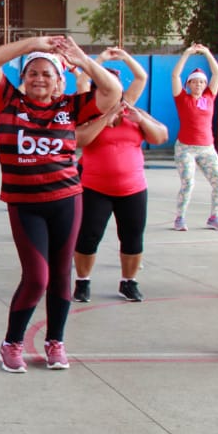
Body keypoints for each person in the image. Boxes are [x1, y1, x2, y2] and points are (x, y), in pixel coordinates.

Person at [0, 35, 121, 373]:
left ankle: (55, 341)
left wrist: (83, 60)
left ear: (60, 81)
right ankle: (11, 342)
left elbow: (113, 92)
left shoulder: (70, 106)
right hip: (25, 203)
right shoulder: (8, 102)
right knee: (37, 277)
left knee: (61, 275)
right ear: (23, 79)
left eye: (47, 74)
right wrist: (33, 45)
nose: (39, 79)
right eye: (32, 73)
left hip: (66, 201)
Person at [72, 49, 168, 303]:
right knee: (88, 237)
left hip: (133, 189)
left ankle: (129, 282)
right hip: (95, 188)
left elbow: (161, 136)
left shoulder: (133, 113)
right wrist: (104, 119)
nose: (110, 93)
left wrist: (124, 58)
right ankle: (82, 282)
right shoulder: (87, 115)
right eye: (104, 89)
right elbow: (80, 140)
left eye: (113, 87)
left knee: (133, 237)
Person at [171, 43, 218, 231]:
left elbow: (217, 74)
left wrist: (207, 52)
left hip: (207, 148)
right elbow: (175, 75)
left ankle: (214, 218)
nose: (199, 85)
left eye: (202, 82)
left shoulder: (209, 97)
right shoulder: (182, 98)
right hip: (185, 148)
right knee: (188, 183)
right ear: (188, 84)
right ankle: (180, 218)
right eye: (195, 82)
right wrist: (187, 53)